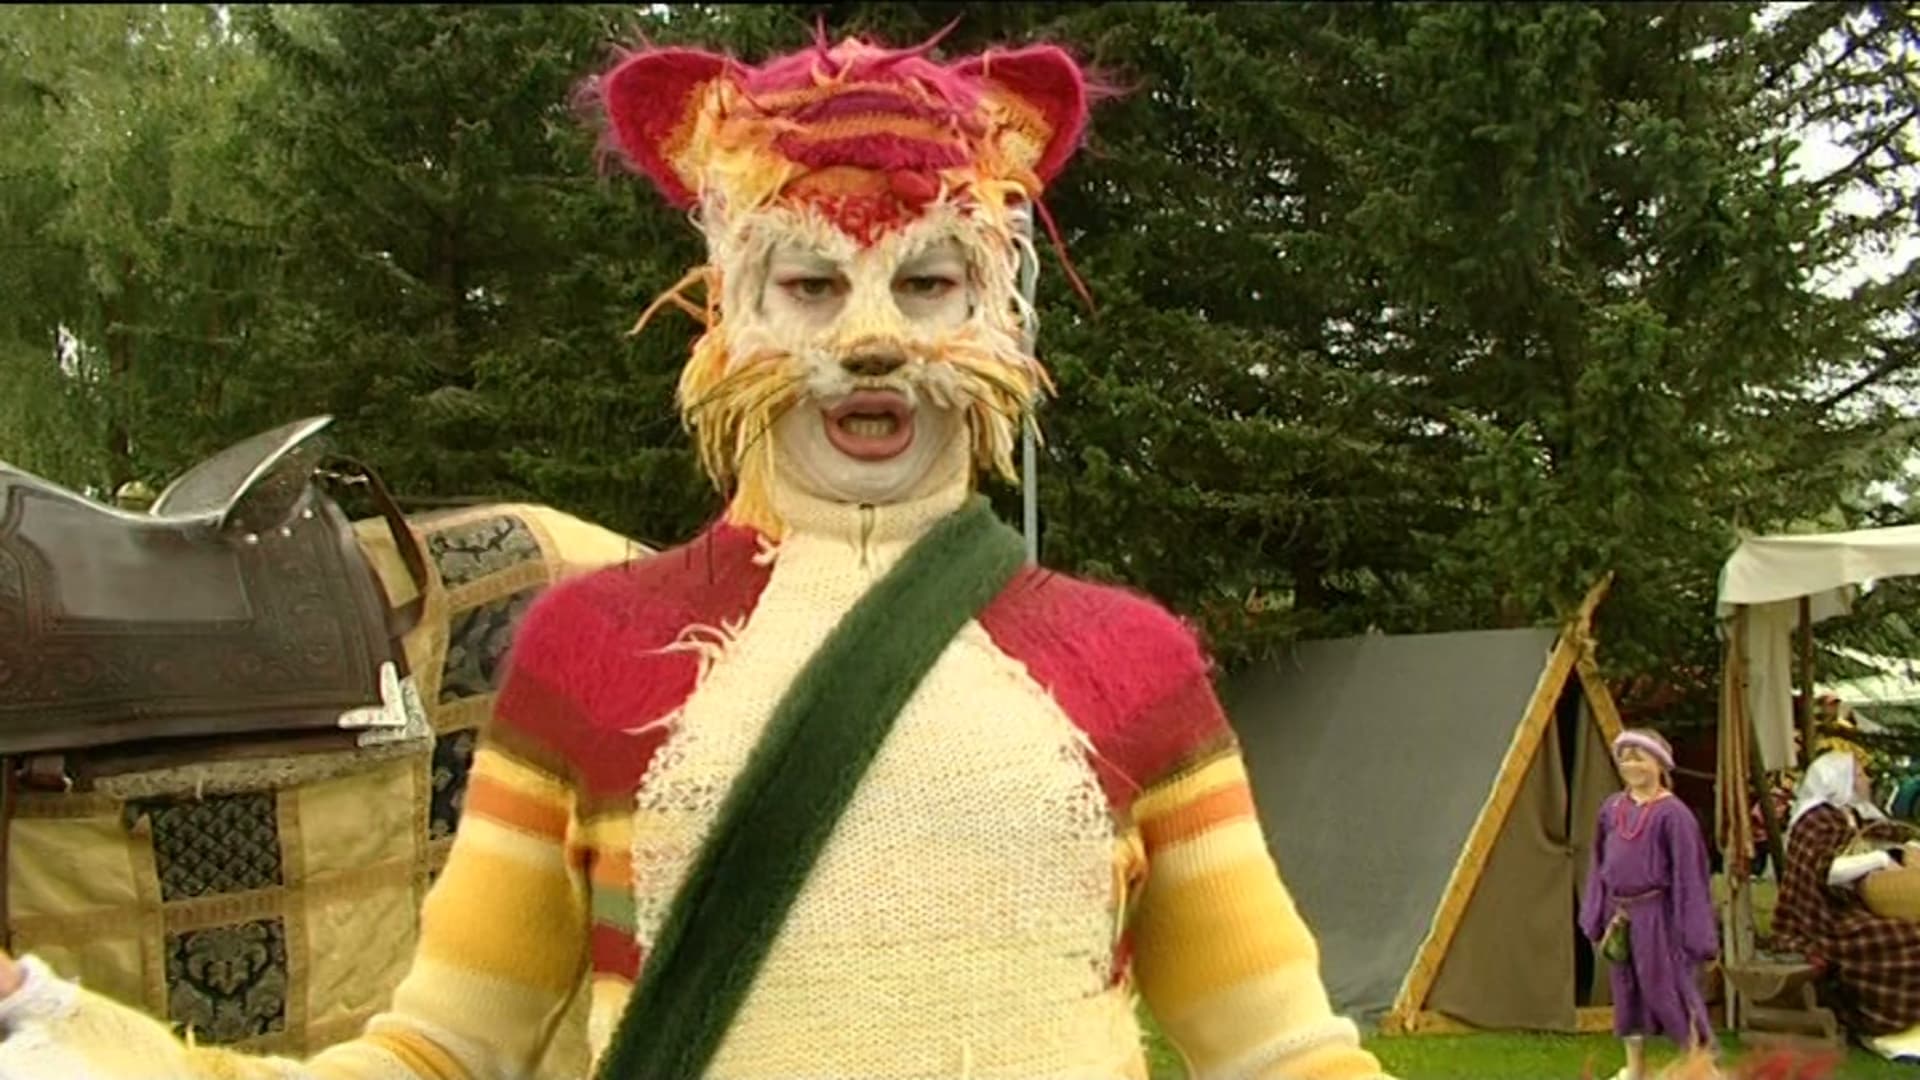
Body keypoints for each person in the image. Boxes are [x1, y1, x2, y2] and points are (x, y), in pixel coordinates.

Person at [0, 27, 1396, 1080]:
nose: (870, 340)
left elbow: (1278, 1050)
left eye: (927, 282)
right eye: (810, 283)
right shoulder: (587, 650)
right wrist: (61, 1035)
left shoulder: (1133, 664)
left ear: (999, 308)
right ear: (727, 302)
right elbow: (444, 1052)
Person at [1581, 728, 1718, 1080]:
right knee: (1627, 991)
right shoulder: (1612, 809)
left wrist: (1696, 933)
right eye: (1625, 760)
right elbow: (1599, 861)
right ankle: (1635, 1067)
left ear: (1659, 764)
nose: (1632, 766)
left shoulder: (1674, 815)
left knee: (1671, 988)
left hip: (1658, 915)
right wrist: (1596, 913)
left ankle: (1702, 1066)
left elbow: (1690, 875)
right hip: (1620, 914)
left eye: (1639, 759)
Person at [1770, 749, 1920, 1061]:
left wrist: (1909, 846)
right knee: (1896, 937)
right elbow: (1827, 872)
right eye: (1860, 774)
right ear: (1839, 779)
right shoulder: (1815, 819)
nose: (1867, 780)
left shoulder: (1853, 814)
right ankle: (1877, 1021)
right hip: (1819, 917)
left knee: (1909, 927)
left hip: (1848, 906)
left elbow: (1891, 833)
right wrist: (1880, 859)